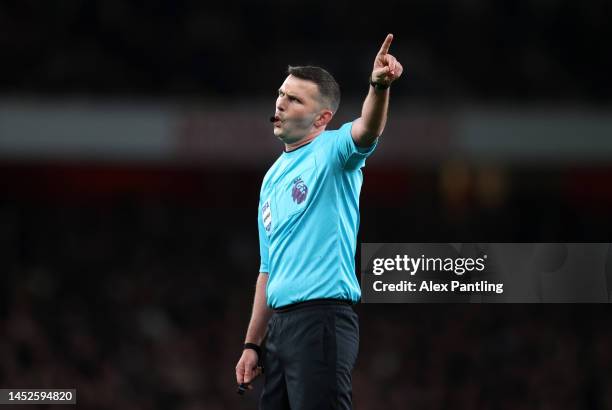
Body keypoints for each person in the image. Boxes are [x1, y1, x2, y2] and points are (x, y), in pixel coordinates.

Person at [235, 34, 403, 410]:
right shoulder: (271, 178)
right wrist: (251, 344)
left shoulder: (333, 152)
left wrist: (378, 87)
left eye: (294, 99)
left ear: (321, 118)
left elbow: (368, 128)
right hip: (279, 329)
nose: (280, 102)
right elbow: (267, 270)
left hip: (322, 319)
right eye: (281, 94)